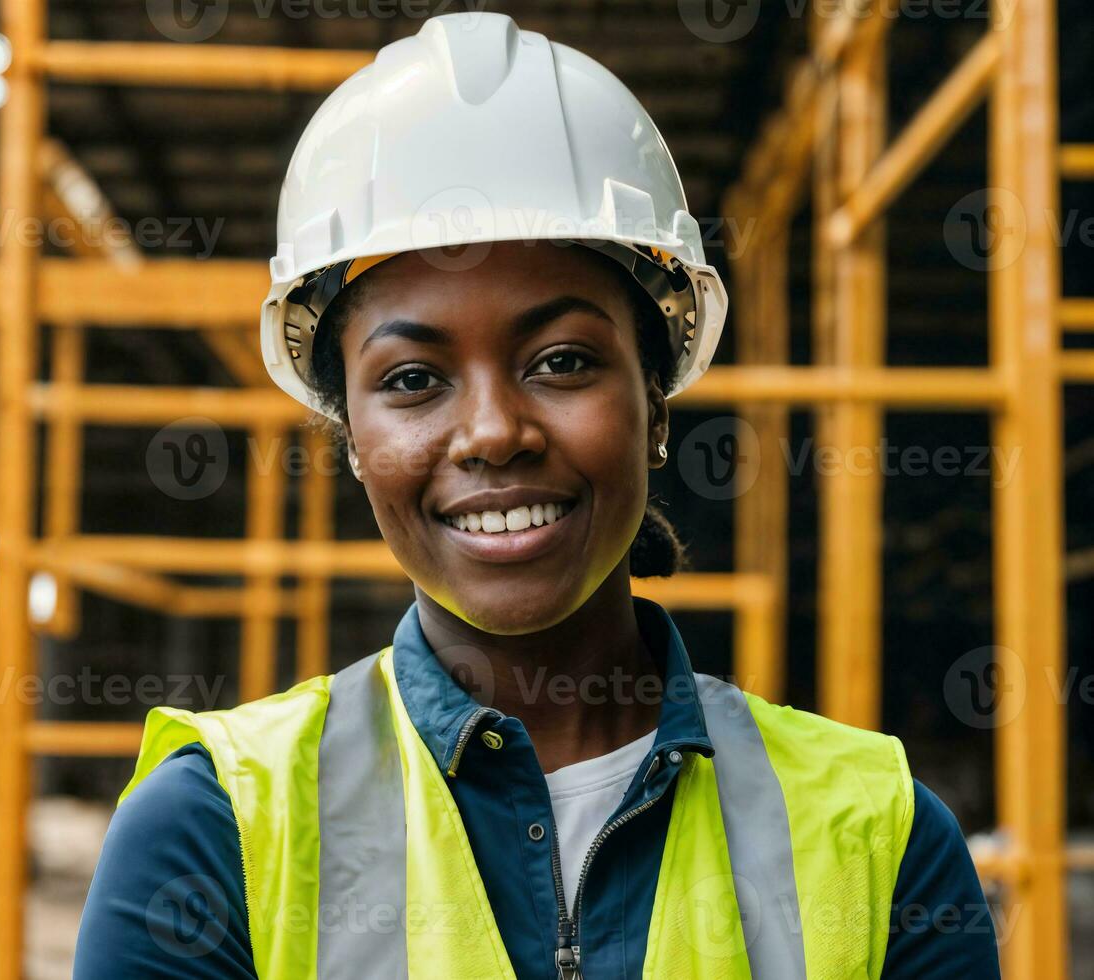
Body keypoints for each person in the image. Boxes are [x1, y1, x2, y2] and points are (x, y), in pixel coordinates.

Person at [74, 11, 1001, 978]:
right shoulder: (213, 830)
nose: (491, 433)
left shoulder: (877, 833)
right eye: (410, 380)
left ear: (654, 403)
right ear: (351, 439)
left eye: (560, 361)